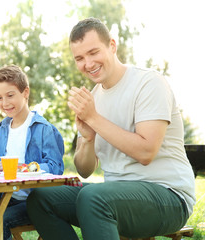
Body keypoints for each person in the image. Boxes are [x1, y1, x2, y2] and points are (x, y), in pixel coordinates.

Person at [26, 17, 196, 240]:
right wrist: (87, 139)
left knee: (93, 197)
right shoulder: (93, 98)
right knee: (41, 198)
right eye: (80, 58)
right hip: (115, 197)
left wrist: (94, 119)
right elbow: (85, 170)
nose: (88, 63)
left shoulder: (149, 83)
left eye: (94, 52)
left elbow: (146, 152)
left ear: (112, 46)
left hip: (169, 197)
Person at [0, 64, 65, 240]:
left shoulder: (44, 129)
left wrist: (23, 167)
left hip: (35, 201)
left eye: (10, 95)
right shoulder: (3, 128)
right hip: (6, 198)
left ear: (25, 92)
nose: (5, 103)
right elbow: (0, 168)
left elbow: (56, 168)